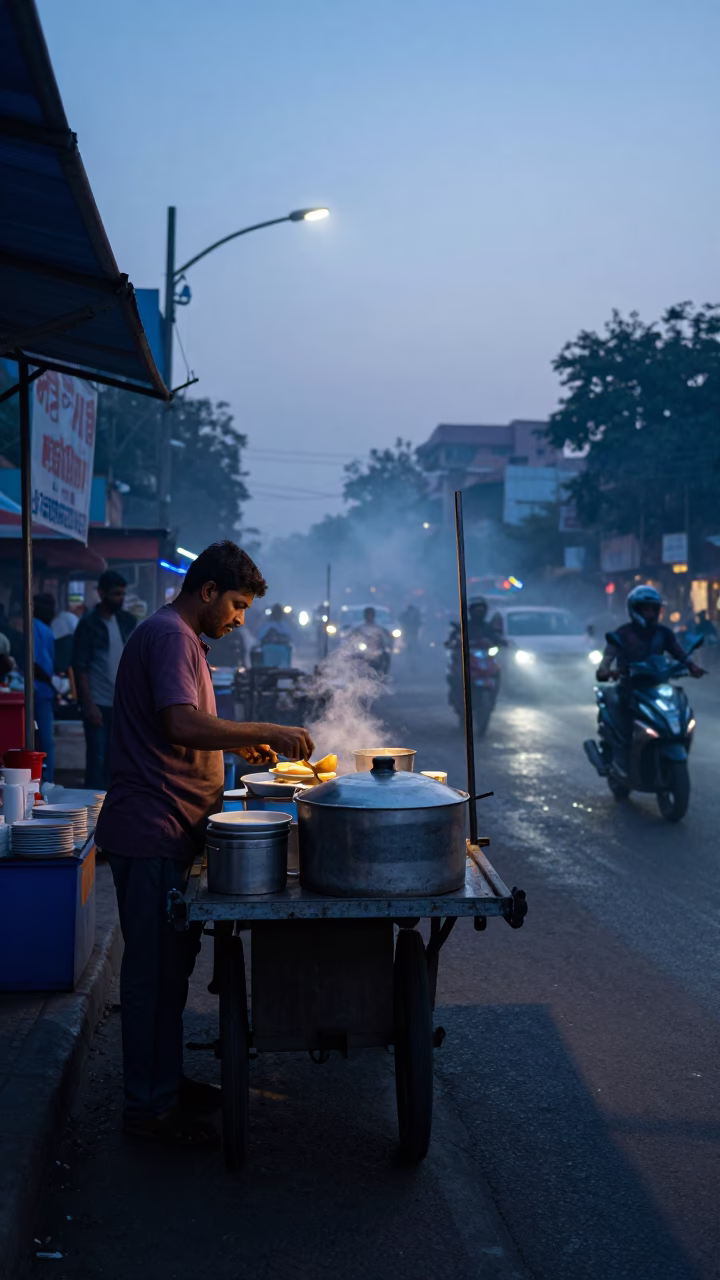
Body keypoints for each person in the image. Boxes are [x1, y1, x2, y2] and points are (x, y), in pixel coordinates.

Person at [95, 541, 314, 1150]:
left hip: (175, 828)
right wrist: (265, 729)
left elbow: (190, 727)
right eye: (238, 605)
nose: (241, 618)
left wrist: (234, 746)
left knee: (171, 974)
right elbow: (178, 723)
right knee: (150, 974)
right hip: (152, 827)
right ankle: (145, 1109)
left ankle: (164, 1086)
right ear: (208, 591)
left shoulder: (184, 640)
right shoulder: (168, 636)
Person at [595, 585, 705, 774]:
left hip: (656, 685)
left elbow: (679, 653)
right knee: (625, 714)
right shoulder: (622, 633)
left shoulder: (664, 633)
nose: (650, 613)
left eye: (653, 608)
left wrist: (692, 666)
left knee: (679, 702)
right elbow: (608, 658)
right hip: (630, 686)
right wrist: (607, 670)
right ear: (635, 610)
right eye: (646, 608)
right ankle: (622, 753)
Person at [72, 570, 137, 789]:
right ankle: (93, 812)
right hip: (97, 702)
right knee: (97, 759)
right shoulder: (88, 624)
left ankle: (112, 809)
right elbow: (79, 667)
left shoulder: (127, 621)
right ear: (101, 593)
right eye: (115, 594)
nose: (120, 599)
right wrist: (88, 704)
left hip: (121, 702)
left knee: (117, 760)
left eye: (122, 594)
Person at [33, 593, 57, 783]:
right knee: (43, 740)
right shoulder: (34, 627)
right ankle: (44, 780)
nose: (52, 611)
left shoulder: (45, 629)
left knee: (43, 740)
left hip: (43, 691)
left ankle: (45, 778)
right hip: (38, 690)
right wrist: (50, 682)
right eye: (48, 606)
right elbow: (35, 664)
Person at [349, 606, 393, 675]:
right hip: (363, 649)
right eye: (367, 614)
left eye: (370, 614)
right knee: (353, 656)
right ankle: (353, 673)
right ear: (365, 616)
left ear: (373, 615)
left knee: (386, 656)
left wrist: (386, 645)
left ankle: (384, 674)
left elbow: (387, 637)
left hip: (377, 649)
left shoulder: (379, 628)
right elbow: (351, 636)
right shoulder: (360, 628)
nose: (369, 616)